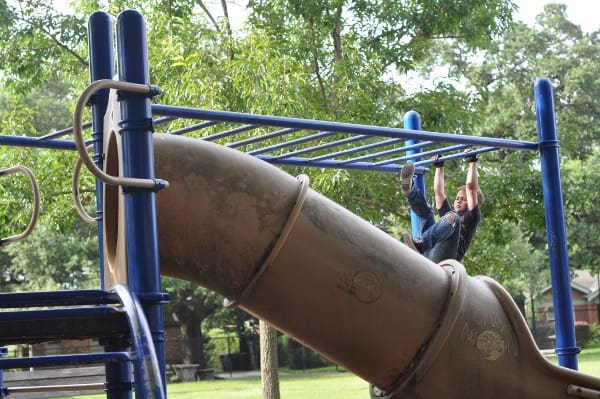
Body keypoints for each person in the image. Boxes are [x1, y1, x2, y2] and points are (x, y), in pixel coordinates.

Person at [399, 151, 483, 263]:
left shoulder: (472, 217)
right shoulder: (449, 218)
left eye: (464, 200)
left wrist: (472, 162)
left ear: (472, 202)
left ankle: (422, 243)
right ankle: (410, 192)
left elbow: (471, 188)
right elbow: (439, 192)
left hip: (445, 260)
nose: (458, 201)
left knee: (454, 218)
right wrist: (439, 167)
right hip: (429, 251)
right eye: (457, 198)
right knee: (428, 213)